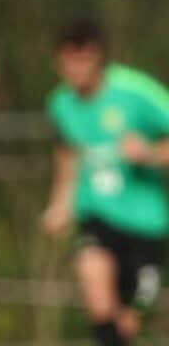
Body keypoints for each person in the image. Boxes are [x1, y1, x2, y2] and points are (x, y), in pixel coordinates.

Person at [41, 18, 169, 346]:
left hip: (145, 223)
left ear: (98, 57)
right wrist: (60, 205)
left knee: (127, 323)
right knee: (96, 293)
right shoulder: (60, 105)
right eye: (68, 60)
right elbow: (67, 158)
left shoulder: (136, 92)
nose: (76, 69)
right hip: (96, 217)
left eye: (82, 59)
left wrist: (151, 153)